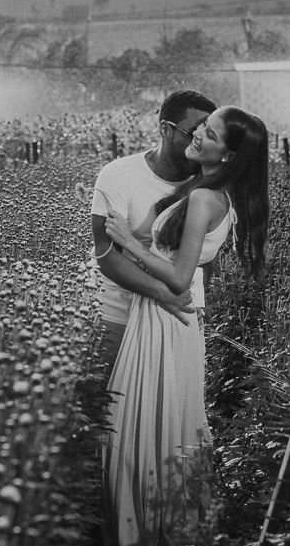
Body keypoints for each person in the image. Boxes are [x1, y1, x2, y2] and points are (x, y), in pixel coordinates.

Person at [102, 105, 270, 545]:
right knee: (164, 426)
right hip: (171, 318)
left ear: (228, 155)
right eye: (201, 128)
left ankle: (144, 531)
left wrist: (127, 244)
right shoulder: (215, 194)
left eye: (210, 135)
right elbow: (192, 274)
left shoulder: (202, 198)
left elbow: (178, 277)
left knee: (142, 431)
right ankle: (167, 526)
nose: (198, 135)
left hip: (165, 317)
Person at [90, 90, 218, 388]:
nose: (199, 141)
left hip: (172, 322)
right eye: (192, 132)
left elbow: (204, 261)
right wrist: (164, 293)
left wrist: (190, 305)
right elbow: (107, 255)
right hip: (116, 317)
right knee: (107, 414)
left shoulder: (207, 189)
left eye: (207, 133)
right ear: (165, 130)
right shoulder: (119, 175)